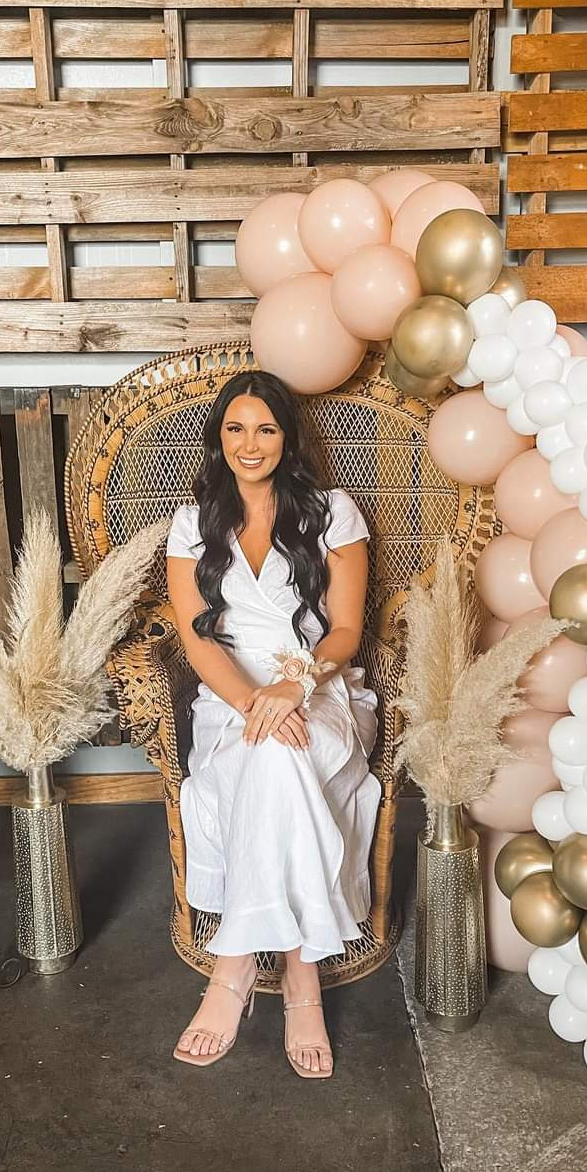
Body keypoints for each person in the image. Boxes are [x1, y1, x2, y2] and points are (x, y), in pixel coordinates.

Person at [165, 370, 380, 1079]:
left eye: (264, 428)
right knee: (269, 756)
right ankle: (301, 978)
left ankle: (230, 974)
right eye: (234, 428)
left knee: (285, 751)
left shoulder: (332, 512)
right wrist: (253, 702)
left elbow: (346, 629)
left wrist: (296, 684)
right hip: (229, 696)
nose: (248, 444)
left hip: (318, 684)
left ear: (287, 437)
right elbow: (197, 643)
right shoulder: (193, 522)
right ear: (217, 437)